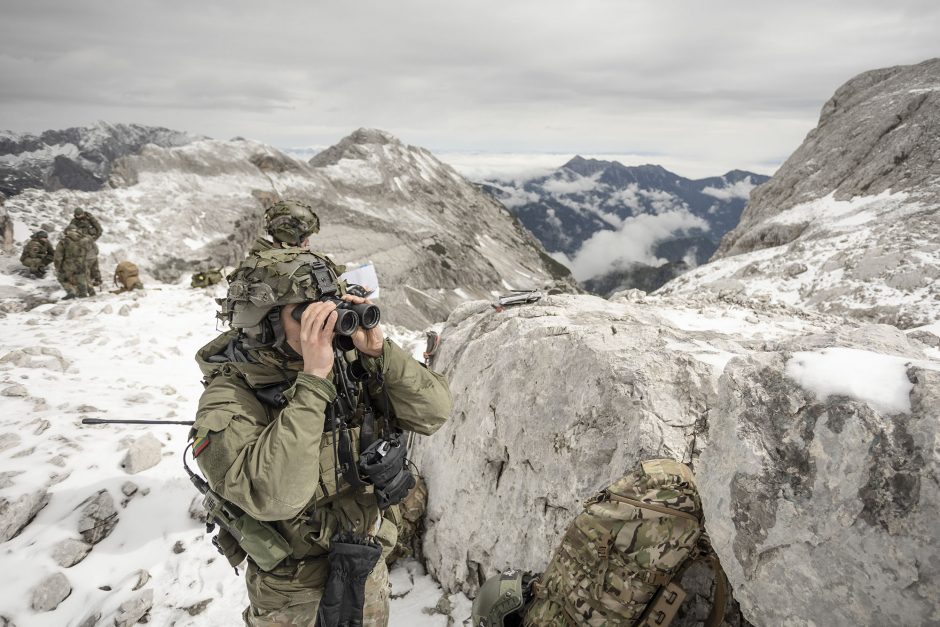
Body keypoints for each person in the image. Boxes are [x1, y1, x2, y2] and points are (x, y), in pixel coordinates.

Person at [190, 248, 452, 626]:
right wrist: (313, 381)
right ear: (265, 323)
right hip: (294, 592)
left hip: (366, 560)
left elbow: (434, 412)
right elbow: (276, 497)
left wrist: (379, 352)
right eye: (305, 313)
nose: (327, 322)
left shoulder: (348, 364)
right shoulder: (229, 400)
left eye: (328, 305)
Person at [249, 200, 320, 253]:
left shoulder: (250, 265)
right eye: (306, 237)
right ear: (295, 242)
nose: (308, 241)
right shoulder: (315, 266)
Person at [53, 226, 94, 299]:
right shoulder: (85, 239)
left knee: (62, 278)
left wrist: (58, 268)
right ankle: (83, 293)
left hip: (69, 264)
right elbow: (93, 252)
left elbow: (58, 257)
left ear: (68, 231)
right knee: (81, 277)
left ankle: (71, 291)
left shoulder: (63, 241)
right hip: (82, 263)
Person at [67, 207, 103, 286]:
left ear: (83, 213)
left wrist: (93, 239)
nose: (78, 216)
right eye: (77, 215)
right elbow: (68, 231)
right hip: (79, 244)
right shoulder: (74, 221)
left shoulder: (90, 219)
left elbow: (99, 230)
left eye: (80, 215)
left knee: (93, 260)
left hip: (89, 242)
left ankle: (97, 278)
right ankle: (86, 279)